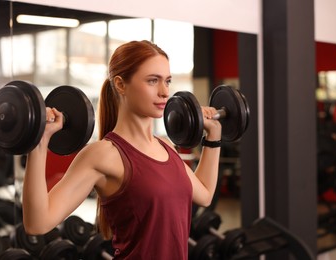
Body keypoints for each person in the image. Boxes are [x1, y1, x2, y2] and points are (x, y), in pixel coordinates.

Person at [22, 40, 222, 259]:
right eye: (153, 80)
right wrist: (39, 143)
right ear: (120, 84)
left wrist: (213, 136)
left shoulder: (166, 146)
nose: (165, 92)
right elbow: (37, 223)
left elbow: (204, 195)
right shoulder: (102, 155)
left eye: (168, 81)